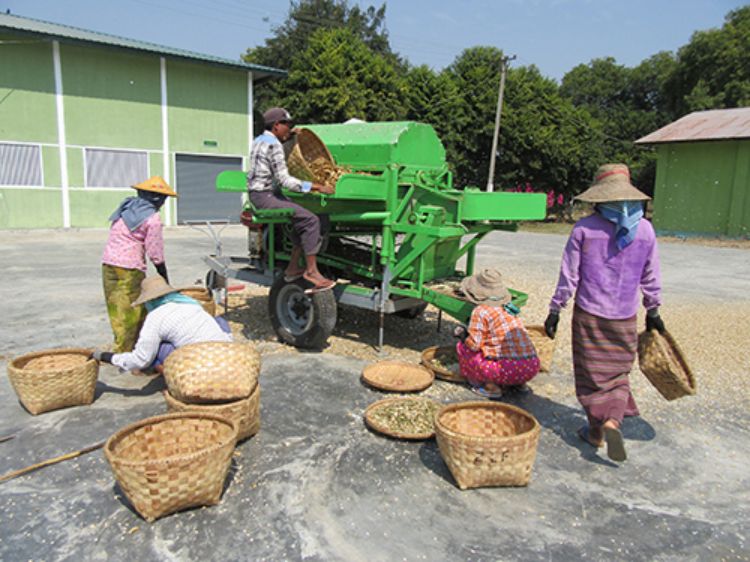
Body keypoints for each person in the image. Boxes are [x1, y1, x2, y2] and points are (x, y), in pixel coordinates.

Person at [544, 163, 665, 463]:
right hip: (625, 317)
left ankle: (601, 427)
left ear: (598, 197)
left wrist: (555, 310)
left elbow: (568, 276)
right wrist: (653, 310)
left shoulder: (584, 229)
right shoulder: (646, 231)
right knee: (617, 376)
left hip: (590, 317)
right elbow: (651, 276)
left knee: (590, 376)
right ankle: (606, 427)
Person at [247, 107, 336, 293]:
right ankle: (311, 272)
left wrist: (291, 136)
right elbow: (285, 180)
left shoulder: (259, 140)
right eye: (287, 125)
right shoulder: (274, 145)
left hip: (261, 194)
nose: (289, 128)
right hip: (266, 196)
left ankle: (293, 267)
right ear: (276, 125)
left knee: (302, 218)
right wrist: (317, 187)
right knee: (311, 220)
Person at [92, 276, 232, 373]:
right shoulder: (190, 303)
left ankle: (174, 376)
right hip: (226, 354)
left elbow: (141, 359)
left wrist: (107, 357)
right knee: (218, 321)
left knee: (157, 349)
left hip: (198, 361)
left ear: (149, 300)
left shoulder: (155, 317)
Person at [101, 176, 176, 353]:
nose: (163, 203)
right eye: (163, 199)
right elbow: (155, 251)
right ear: (157, 198)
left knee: (116, 309)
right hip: (129, 269)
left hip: (108, 263)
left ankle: (124, 346)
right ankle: (127, 355)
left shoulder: (126, 208)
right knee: (132, 312)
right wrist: (163, 276)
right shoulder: (152, 218)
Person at [453, 268, 540, 399]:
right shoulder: (509, 308)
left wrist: (463, 335)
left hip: (505, 371)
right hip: (531, 367)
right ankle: (520, 385)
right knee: (510, 353)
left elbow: (474, 345)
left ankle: (491, 387)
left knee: (463, 348)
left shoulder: (481, 311)